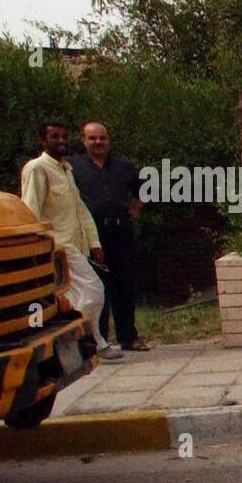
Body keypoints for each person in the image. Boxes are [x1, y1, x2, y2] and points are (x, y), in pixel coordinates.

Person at [20, 122, 121, 361]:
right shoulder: (37, 169)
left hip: (75, 245)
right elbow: (30, 210)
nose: (61, 141)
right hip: (57, 246)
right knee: (94, 291)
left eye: (64, 136)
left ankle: (93, 343)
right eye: (54, 137)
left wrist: (94, 243)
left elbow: (79, 209)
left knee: (76, 298)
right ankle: (81, 340)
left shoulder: (66, 169)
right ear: (42, 141)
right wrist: (35, 250)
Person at [69, 122, 149, 352]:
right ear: (84, 140)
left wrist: (135, 207)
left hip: (120, 232)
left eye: (102, 138)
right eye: (92, 138)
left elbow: (146, 188)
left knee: (125, 285)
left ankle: (128, 337)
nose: (98, 142)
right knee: (96, 287)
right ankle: (98, 338)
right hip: (91, 235)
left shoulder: (122, 167)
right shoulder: (72, 167)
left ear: (108, 140)